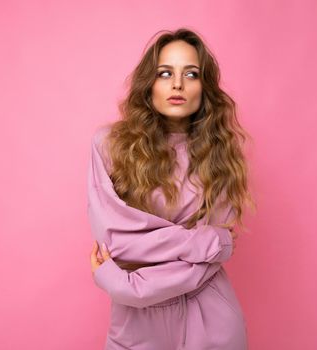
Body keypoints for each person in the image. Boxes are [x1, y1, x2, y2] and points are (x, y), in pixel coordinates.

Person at [87, 28, 255, 350]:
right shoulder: (109, 145)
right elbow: (118, 243)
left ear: (204, 88)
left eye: (190, 74)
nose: (177, 84)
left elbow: (206, 266)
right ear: (149, 83)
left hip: (212, 317)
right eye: (165, 73)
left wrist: (125, 281)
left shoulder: (221, 152)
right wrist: (209, 241)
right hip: (135, 324)